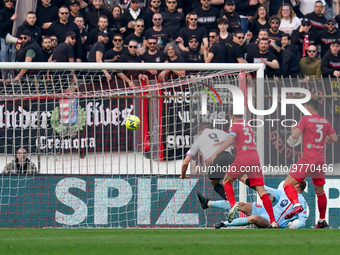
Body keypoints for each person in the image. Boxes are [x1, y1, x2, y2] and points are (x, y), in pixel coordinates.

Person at [205, 114, 278, 228]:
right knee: (261, 192)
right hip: (255, 158)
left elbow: (230, 141)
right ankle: (273, 221)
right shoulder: (247, 126)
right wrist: (222, 142)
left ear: (232, 116)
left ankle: (233, 205)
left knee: (227, 181)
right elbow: (240, 140)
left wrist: (215, 153)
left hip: (243, 158)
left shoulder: (234, 125)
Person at [282, 98, 338, 228]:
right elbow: (334, 139)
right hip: (320, 160)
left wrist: (293, 129)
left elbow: (295, 136)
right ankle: (322, 220)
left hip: (308, 158)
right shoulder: (325, 122)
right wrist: (325, 135)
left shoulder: (305, 119)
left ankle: (296, 206)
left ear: (309, 108)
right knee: (320, 191)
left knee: (287, 184)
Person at [197, 180, 308, 229]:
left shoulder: (302, 202)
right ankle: (208, 203)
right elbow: (266, 189)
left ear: (297, 185)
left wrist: (295, 226)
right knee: (241, 205)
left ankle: (224, 224)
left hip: (273, 222)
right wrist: (250, 180)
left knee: (253, 218)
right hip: (266, 212)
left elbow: (303, 221)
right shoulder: (284, 192)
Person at [180, 122, 235, 201]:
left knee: (215, 183)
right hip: (228, 157)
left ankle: (231, 201)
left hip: (214, 162)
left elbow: (185, 162)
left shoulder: (199, 139)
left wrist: (183, 175)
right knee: (235, 179)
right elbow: (234, 140)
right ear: (210, 128)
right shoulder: (221, 132)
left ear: (200, 131)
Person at [0, 0, 17, 79]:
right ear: (4, 2)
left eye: (11, 1)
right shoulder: (2, 12)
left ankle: (11, 77)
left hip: (13, 37)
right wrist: (11, 19)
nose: (9, 2)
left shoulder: (15, 11)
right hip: (4, 38)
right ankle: (4, 78)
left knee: (13, 56)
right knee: (3, 57)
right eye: (7, 1)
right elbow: (2, 26)